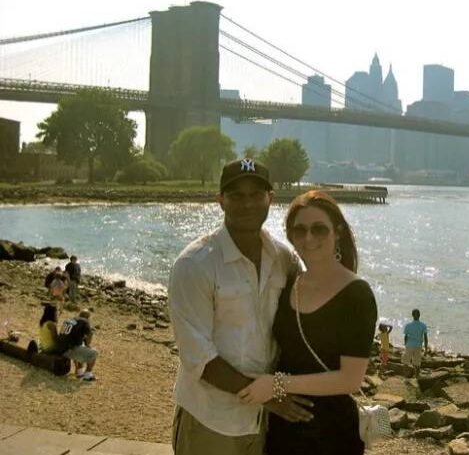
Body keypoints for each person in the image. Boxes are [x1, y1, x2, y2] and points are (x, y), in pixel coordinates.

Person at [168, 158, 312, 455]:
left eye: (256, 195)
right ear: (221, 201)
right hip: (210, 418)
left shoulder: (284, 259)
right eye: (236, 196)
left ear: (270, 199)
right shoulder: (195, 264)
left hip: (261, 423)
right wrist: (272, 397)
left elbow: (297, 330)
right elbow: (198, 358)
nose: (247, 204)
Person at [238, 190, 378, 455]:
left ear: (337, 233)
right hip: (282, 424)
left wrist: (277, 385)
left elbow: (350, 379)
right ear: (290, 235)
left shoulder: (356, 295)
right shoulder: (291, 281)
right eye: (299, 230)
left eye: (319, 229)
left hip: (332, 431)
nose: (309, 238)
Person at [56, 309, 98, 381]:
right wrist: (88, 344)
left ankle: (79, 372)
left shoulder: (70, 320)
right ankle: (88, 375)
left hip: (59, 349)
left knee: (79, 346)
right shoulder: (84, 321)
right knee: (94, 353)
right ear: (88, 317)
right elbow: (90, 334)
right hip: (68, 350)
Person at [402, 308, 428, 377]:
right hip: (418, 346)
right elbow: (425, 338)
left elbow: (406, 337)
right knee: (417, 363)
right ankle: (417, 376)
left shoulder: (408, 325)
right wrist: (426, 348)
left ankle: (406, 376)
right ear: (419, 315)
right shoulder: (423, 325)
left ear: (412, 315)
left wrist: (405, 344)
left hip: (409, 345)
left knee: (406, 362)